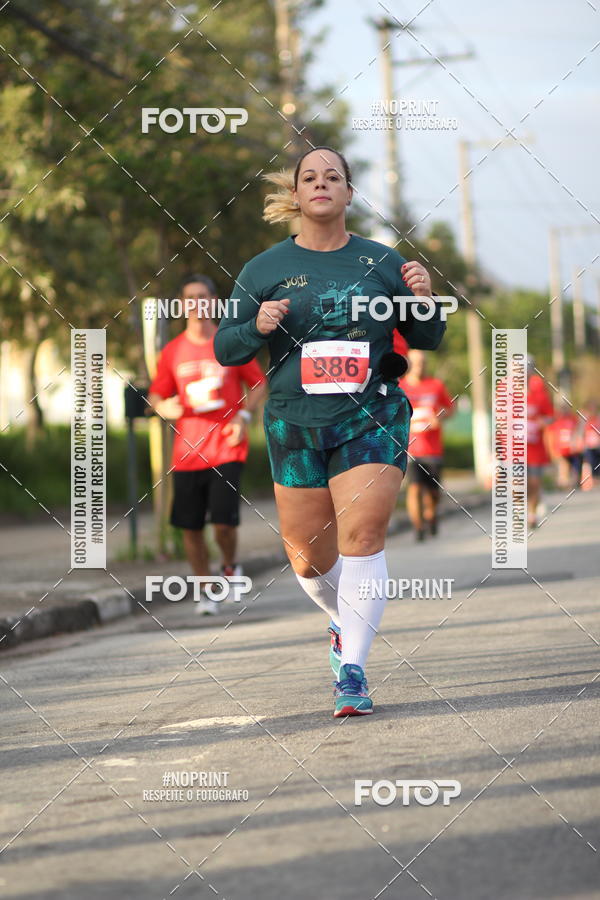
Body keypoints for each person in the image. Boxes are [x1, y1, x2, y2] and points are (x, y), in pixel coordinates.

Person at [214, 146, 446, 717]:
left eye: (333, 176)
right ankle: (344, 621)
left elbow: (428, 339)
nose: (321, 184)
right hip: (294, 422)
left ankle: (353, 673)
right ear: (295, 195)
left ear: (349, 193)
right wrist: (255, 325)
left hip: (371, 415)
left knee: (363, 537)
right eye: (309, 177)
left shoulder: (384, 263)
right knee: (309, 561)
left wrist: (423, 298)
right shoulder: (262, 269)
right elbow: (224, 347)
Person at [148, 274, 267, 613]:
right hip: (187, 453)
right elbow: (158, 392)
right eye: (190, 297)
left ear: (214, 301)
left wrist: (242, 418)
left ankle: (229, 565)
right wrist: (160, 406)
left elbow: (258, 385)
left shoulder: (229, 344)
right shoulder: (173, 351)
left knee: (223, 525)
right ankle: (206, 589)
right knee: (191, 526)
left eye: (203, 295)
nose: (196, 302)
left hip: (226, 447)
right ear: (183, 304)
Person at [398, 349, 454, 541]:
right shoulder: (400, 387)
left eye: (422, 362)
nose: (419, 365)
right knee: (414, 488)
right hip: (409, 449)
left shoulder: (435, 385)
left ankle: (431, 515)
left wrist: (439, 417)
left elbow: (449, 409)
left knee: (433, 491)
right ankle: (418, 527)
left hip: (432, 448)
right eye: (415, 362)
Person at [526, 357, 554, 528]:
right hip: (514, 448)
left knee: (535, 483)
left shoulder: (540, 394)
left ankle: (531, 514)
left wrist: (540, 423)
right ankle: (521, 507)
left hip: (536, 448)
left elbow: (550, 416)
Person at [546, 403, 584, 489]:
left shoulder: (573, 419)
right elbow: (551, 435)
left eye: (566, 409)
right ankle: (564, 484)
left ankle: (574, 485)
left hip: (572, 449)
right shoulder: (556, 420)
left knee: (575, 468)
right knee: (564, 467)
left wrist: (577, 443)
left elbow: (578, 431)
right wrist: (552, 449)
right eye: (562, 409)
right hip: (561, 449)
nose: (564, 411)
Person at [581, 401, 600, 489]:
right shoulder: (585, 419)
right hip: (589, 446)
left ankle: (597, 481)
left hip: (598, 446)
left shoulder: (598, 418)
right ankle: (594, 481)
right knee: (591, 464)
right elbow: (582, 432)